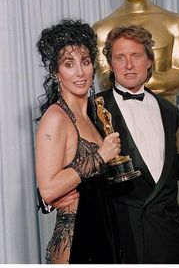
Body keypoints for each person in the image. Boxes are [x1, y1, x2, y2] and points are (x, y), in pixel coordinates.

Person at [93, 25, 179, 263]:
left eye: (135, 56)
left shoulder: (170, 111)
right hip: (120, 234)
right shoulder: (94, 110)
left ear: (149, 60)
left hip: (167, 234)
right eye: (120, 57)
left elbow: (162, 167)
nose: (128, 65)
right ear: (110, 63)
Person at [35, 19, 122, 264]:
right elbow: (49, 188)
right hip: (77, 243)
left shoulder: (95, 114)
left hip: (105, 235)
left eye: (85, 62)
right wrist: (99, 157)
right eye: (69, 64)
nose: (80, 72)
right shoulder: (56, 117)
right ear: (56, 72)